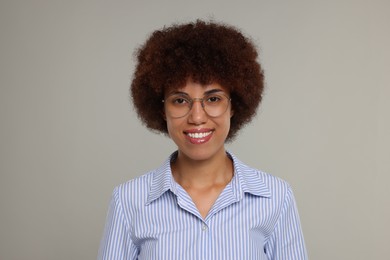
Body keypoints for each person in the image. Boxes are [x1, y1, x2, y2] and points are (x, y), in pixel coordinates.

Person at [98, 20, 308, 260]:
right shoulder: (128, 202)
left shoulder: (276, 198)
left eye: (213, 99)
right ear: (161, 109)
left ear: (234, 105)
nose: (197, 117)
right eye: (180, 100)